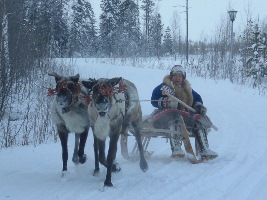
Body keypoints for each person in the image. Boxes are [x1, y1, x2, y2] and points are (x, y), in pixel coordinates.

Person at [151, 65, 218, 159]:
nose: (178, 78)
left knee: (198, 122)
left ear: (183, 78)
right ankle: (176, 149)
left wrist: (198, 106)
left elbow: (197, 98)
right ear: (171, 76)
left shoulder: (187, 89)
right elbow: (153, 100)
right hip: (165, 116)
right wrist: (166, 102)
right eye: (175, 75)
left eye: (180, 76)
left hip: (184, 115)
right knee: (174, 120)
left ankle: (205, 150)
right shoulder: (164, 87)